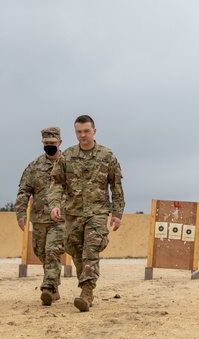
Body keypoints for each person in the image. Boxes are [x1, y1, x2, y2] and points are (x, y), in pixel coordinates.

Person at [49, 115, 124, 312]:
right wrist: (55, 204)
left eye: (86, 131)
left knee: (91, 249)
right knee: (74, 249)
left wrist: (117, 213)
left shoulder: (107, 156)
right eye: (79, 132)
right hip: (72, 213)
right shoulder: (67, 156)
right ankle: (85, 285)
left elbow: (116, 187)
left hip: (97, 213)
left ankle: (87, 292)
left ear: (94, 131)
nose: (83, 135)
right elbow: (56, 182)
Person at [15, 126, 67, 306]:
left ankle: (47, 287)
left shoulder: (68, 164)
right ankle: (55, 287)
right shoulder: (34, 166)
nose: (49, 146)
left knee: (52, 250)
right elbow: (24, 191)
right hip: (38, 218)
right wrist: (21, 213)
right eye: (46, 143)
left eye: (52, 143)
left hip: (61, 218)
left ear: (60, 143)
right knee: (40, 251)